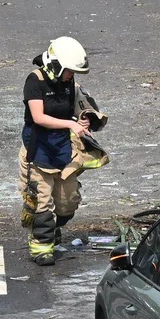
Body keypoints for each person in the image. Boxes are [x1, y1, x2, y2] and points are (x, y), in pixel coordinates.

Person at [20, 37, 98, 267]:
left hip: (62, 148)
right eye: (69, 71)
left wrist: (84, 120)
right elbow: (39, 117)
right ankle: (41, 247)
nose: (71, 76)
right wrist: (70, 124)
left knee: (68, 202)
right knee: (41, 201)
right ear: (55, 66)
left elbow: (84, 107)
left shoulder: (69, 84)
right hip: (38, 149)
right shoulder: (35, 81)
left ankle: (53, 228)